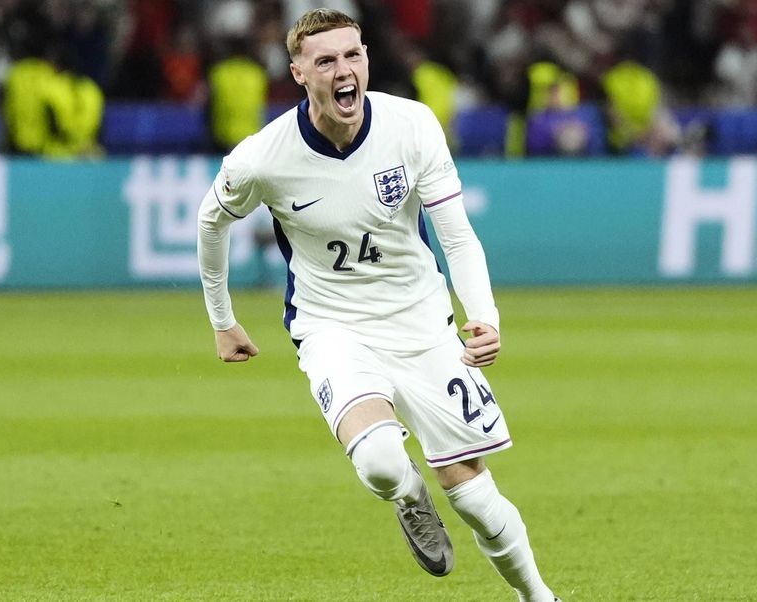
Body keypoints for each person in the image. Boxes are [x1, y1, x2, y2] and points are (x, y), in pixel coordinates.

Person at [196, 9, 561, 602]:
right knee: (384, 463)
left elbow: (458, 236)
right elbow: (211, 222)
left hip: (422, 323)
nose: (344, 71)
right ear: (298, 73)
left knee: (475, 500)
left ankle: (537, 597)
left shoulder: (411, 125)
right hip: (332, 326)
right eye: (326, 61)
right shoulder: (265, 157)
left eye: (353, 55)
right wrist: (222, 319)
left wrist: (484, 316)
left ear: (366, 59)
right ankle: (409, 498)